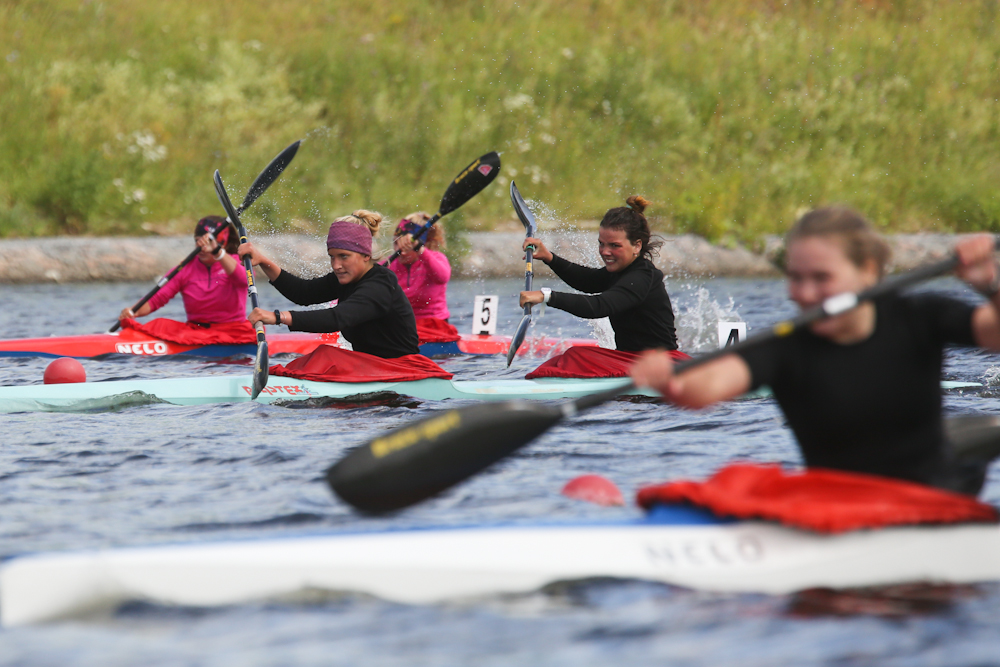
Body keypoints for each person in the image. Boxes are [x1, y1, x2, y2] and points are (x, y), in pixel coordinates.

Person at [630, 206, 1000, 495]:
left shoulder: (919, 315)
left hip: (931, 497)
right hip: (838, 503)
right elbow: (706, 388)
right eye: (795, 278)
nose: (804, 294)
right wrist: (669, 381)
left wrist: (989, 285)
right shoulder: (787, 346)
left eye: (822, 279)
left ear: (868, 271)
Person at [239, 210, 420, 359]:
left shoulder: (380, 285)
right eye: (332, 257)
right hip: (371, 365)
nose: (336, 265)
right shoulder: (345, 277)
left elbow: (337, 318)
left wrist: (278, 317)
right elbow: (303, 293)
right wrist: (262, 260)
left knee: (326, 356)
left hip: (401, 369)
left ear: (366, 255)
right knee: (324, 355)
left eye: (343, 256)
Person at [518, 196, 679, 352]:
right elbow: (587, 281)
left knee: (573, 358)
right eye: (601, 244)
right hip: (630, 359)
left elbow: (598, 306)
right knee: (574, 356)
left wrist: (546, 296)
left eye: (614, 245)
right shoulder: (621, 271)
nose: (605, 252)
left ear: (637, 246)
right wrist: (549, 257)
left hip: (661, 364)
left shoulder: (641, 277)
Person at [119, 215, 245, 324]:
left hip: (233, 332)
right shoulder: (185, 268)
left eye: (210, 243)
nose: (202, 247)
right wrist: (133, 311)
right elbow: (156, 298)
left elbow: (245, 280)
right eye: (198, 241)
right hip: (196, 333)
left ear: (224, 244)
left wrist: (218, 253)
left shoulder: (237, 262)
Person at [390, 212, 452, 321]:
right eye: (396, 244)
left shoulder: (436, 258)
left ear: (420, 245)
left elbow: (443, 278)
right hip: (401, 327)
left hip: (434, 325)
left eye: (407, 247)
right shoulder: (388, 265)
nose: (400, 252)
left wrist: (420, 250)